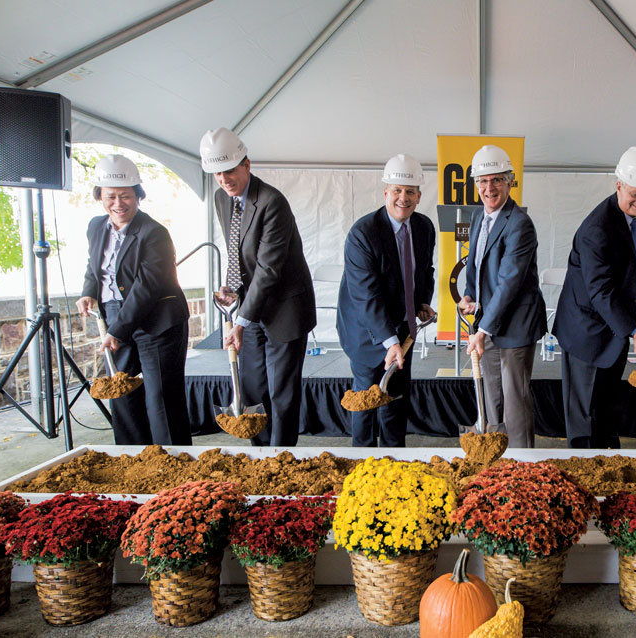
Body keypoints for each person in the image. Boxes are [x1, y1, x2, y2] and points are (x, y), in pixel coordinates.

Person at [199, 127, 317, 446]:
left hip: (285, 309)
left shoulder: (271, 202)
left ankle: (282, 458)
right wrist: (231, 288)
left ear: (246, 164)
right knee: (253, 390)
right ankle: (261, 457)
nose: (224, 179)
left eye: (229, 170)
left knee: (281, 394)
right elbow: (236, 248)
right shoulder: (221, 198)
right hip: (250, 306)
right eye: (217, 173)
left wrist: (239, 320)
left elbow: (268, 268)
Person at [76, 154, 192, 446]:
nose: (118, 203)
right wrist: (88, 290)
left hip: (158, 322)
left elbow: (147, 287)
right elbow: (94, 265)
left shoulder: (154, 233)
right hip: (116, 314)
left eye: (125, 196)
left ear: (138, 196)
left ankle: (176, 465)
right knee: (121, 392)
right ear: (100, 196)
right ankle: (131, 459)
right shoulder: (95, 226)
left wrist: (117, 331)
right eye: (111, 196)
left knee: (161, 398)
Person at [553, 146, 636, 448]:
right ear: (619, 186)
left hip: (612, 328)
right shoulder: (597, 228)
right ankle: (583, 471)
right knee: (584, 417)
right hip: (586, 332)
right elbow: (601, 290)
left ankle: (606, 465)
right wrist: (634, 330)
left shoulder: (630, 218)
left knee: (605, 409)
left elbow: (635, 269)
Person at [336, 154, 435, 447]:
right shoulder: (363, 233)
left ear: (419, 196)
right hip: (366, 330)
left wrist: (420, 303)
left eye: (410, 191)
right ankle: (362, 463)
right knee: (366, 399)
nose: (403, 198)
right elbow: (366, 294)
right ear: (385, 193)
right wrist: (389, 341)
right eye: (397, 191)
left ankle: (395, 462)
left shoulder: (424, 227)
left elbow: (423, 271)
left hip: (403, 328)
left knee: (395, 398)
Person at [457, 145, 547, 448]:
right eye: (482, 181)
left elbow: (510, 281)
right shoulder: (477, 217)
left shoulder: (519, 224)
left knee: (514, 399)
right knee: (490, 392)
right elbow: (476, 264)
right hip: (489, 319)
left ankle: (522, 463)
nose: (489, 188)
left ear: (510, 182)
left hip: (516, 324)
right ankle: (495, 457)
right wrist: (469, 294)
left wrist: (482, 330)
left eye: (496, 180)